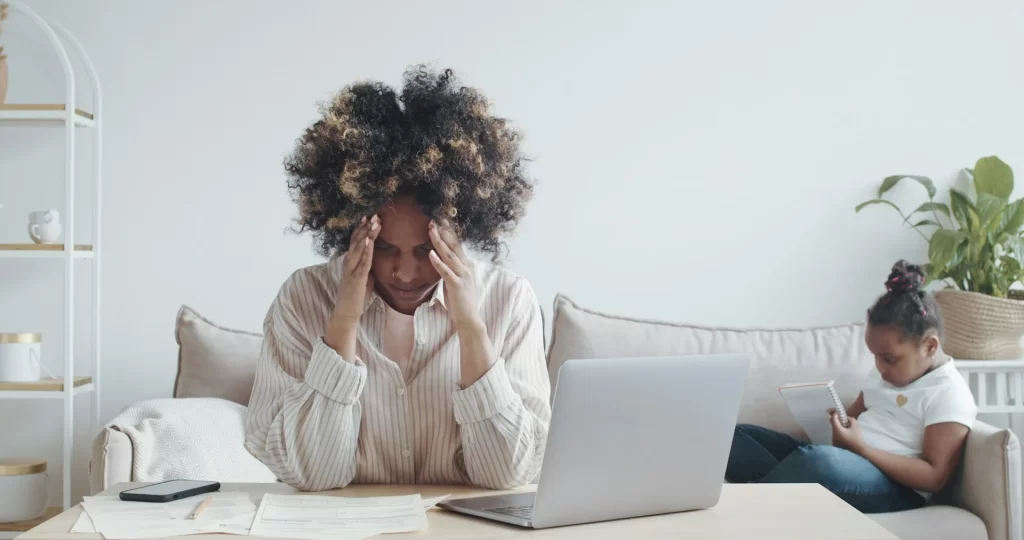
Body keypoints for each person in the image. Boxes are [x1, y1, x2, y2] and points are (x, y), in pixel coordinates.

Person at [244, 65, 551, 492]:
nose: (404, 273)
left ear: (465, 229)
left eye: (426, 251)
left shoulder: (510, 300)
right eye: (385, 248)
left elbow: (507, 475)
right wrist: (343, 321)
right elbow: (311, 474)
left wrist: (471, 328)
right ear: (349, 223)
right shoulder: (304, 298)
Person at [725, 260, 978, 513]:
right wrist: (835, 421)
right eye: (875, 356)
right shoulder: (884, 374)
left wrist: (861, 449)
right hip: (843, 458)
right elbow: (852, 417)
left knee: (819, 462)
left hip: (894, 487)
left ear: (930, 346)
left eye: (889, 358)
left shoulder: (949, 394)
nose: (879, 367)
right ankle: (771, 488)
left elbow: (934, 477)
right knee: (734, 436)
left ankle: (751, 507)